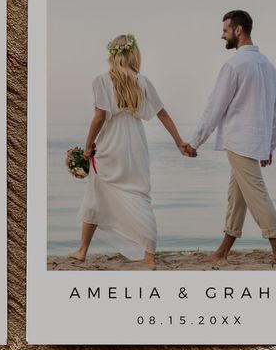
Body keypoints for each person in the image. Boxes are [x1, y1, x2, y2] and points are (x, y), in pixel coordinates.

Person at [69, 34, 193, 266]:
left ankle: (82, 250)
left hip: (109, 145)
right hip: (135, 146)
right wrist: (179, 141)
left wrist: (87, 147)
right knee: (139, 195)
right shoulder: (143, 82)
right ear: (134, 55)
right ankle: (149, 255)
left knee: (95, 196)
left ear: (112, 56)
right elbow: (162, 114)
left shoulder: (101, 81)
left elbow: (99, 118)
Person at [185, 10, 276, 263]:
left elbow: (215, 107)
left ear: (238, 30)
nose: (222, 36)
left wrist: (195, 141)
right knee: (237, 196)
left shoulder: (234, 65)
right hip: (255, 141)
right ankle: (223, 251)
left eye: (225, 30)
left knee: (256, 195)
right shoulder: (268, 65)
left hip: (240, 141)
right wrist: (270, 145)